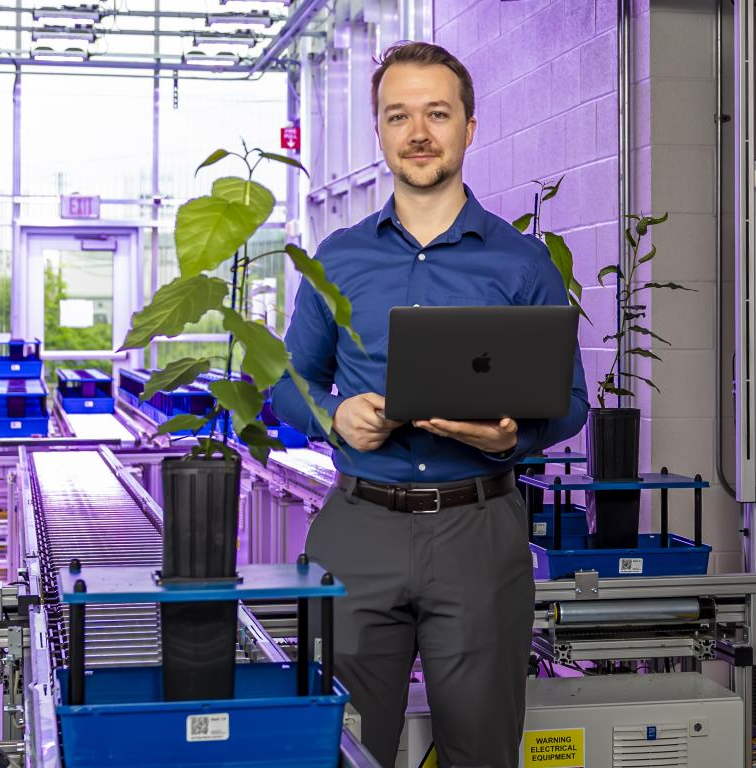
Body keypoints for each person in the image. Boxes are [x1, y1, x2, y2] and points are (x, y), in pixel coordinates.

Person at [270, 41, 589, 768]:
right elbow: (287, 382)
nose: (419, 132)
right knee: (336, 749)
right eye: (399, 116)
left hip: (479, 533)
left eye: (437, 114)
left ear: (469, 127)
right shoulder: (339, 258)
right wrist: (333, 414)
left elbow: (572, 402)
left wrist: (511, 435)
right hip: (358, 527)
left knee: (481, 751)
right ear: (380, 133)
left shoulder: (520, 261)